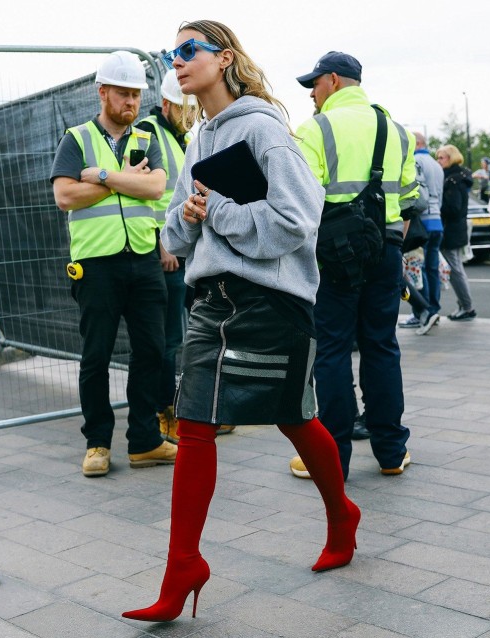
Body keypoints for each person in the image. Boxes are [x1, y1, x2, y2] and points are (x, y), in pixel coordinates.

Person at [121, 20, 359, 623]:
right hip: (210, 301)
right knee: (195, 423)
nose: (175, 62)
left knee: (294, 418)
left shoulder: (263, 129)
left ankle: (341, 516)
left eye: (187, 50)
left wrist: (219, 209)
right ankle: (183, 567)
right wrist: (193, 214)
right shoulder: (198, 140)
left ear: (223, 58)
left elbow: (297, 221)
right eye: (170, 53)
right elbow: (173, 235)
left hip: (272, 301)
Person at [288, 51, 415, 482]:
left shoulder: (315, 129)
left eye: (315, 84)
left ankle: (332, 460)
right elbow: (411, 198)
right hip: (386, 250)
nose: (311, 93)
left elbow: (301, 200)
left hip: (332, 256)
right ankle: (391, 452)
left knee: (332, 351)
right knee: (382, 347)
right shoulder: (396, 130)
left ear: (335, 81)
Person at [51, 51, 177, 477]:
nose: (131, 102)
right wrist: (128, 183)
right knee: (96, 355)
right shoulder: (77, 137)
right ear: (102, 92)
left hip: (143, 260)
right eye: (123, 93)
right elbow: (65, 196)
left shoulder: (145, 137)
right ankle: (98, 443)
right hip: (96, 265)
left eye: (137, 94)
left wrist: (102, 177)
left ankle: (143, 441)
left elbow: (157, 187)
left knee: (152, 351)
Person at [135, 70, 232, 442]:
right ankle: (167, 412)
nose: (190, 113)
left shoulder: (183, 137)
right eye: (183, 107)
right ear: (166, 104)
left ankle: (192, 410)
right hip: (163, 249)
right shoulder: (147, 131)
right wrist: (164, 242)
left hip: (183, 249)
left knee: (182, 335)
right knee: (167, 339)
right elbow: (141, 189)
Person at [407, 132, 445, 334]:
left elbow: (417, 194)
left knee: (417, 270)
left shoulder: (416, 161)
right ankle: (434, 309)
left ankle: (422, 312)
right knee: (431, 269)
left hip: (422, 222)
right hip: (437, 219)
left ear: (417, 143)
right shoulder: (436, 164)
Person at [436, 144, 478, 322]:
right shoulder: (459, 177)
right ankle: (464, 305)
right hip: (455, 229)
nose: (438, 161)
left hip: (450, 230)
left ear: (451, 158)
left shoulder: (453, 180)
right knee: (456, 268)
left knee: (454, 269)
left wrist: (438, 205)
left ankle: (467, 307)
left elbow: (453, 208)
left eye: (441, 158)